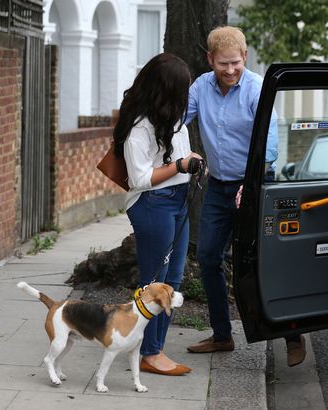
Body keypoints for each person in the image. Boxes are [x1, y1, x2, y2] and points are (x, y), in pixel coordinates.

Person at [184, 26, 306, 367]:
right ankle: (222, 336)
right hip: (219, 187)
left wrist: (250, 183)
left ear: (245, 57)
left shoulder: (256, 89)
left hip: (254, 186)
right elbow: (178, 120)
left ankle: (292, 335)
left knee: (264, 262)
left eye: (235, 63)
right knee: (208, 257)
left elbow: (269, 145)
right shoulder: (200, 88)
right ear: (210, 59)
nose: (229, 70)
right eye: (222, 64)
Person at [113, 53, 204, 376]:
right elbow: (139, 178)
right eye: (183, 89)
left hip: (177, 201)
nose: (187, 95)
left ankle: (152, 350)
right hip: (153, 205)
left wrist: (190, 160)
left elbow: (177, 158)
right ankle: (149, 353)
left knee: (173, 281)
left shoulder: (173, 118)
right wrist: (179, 166)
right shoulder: (140, 127)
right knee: (155, 283)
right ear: (166, 90)